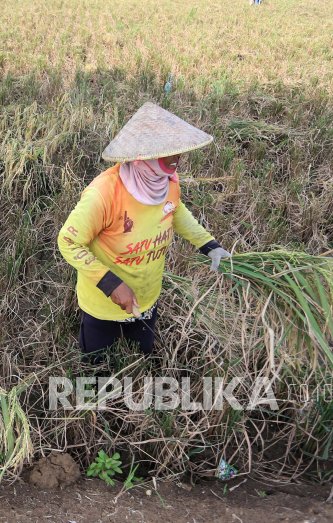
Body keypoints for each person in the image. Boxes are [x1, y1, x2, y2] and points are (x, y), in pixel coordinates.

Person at [57, 102, 231, 360]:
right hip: (103, 305)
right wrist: (112, 284)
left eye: (178, 151)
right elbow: (69, 241)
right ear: (141, 156)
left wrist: (209, 245)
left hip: (148, 296)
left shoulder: (166, 181)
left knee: (141, 357)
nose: (177, 158)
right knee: (97, 368)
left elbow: (174, 210)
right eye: (167, 152)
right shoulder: (104, 194)